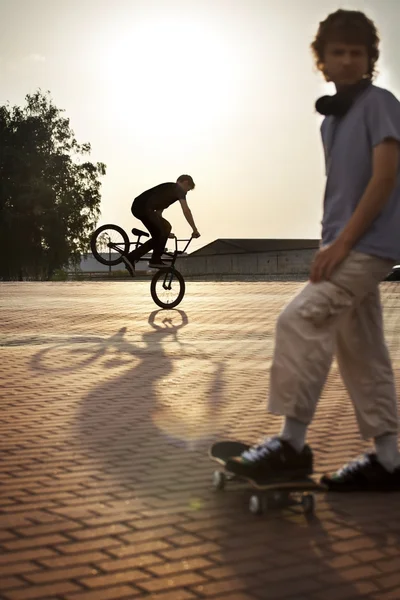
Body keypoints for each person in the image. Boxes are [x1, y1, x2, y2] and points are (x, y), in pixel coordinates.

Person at [226, 9, 400, 491]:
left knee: (299, 320)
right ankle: (388, 461)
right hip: (345, 244)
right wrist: (329, 240)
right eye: (337, 52)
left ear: (370, 60)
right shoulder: (331, 122)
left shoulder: (381, 103)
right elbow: (343, 189)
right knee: (362, 350)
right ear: (321, 60)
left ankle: (291, 446)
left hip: (366, 246)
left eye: (356, 53)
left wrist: (342, 245)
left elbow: (384, 179)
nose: (347, 60)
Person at [121, 175, 200, 274]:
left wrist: (165, 234)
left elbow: (158, 214)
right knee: (166, 227)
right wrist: (194, 229)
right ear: (185, 183)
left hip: (140, 207)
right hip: (142, 207)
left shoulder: (168, 191)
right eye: (187, 190)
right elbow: (186, 210)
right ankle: (154, 259)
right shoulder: (178, 189)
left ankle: (132, 258)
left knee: (160, 233)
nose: (186, 193)